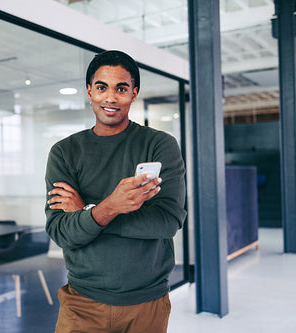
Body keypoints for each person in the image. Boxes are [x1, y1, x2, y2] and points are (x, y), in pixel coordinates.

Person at [45, 50, 186, 333]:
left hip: (146, 304)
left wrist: (88, 212)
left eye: (121, 88)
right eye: (101, 87)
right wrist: (111, 206)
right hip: (81, 304)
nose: (110, 98)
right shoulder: (65, 152)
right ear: (89, 91)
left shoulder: (159, 145)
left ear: (134, 93)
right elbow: (62, 232)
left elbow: (167, 222)